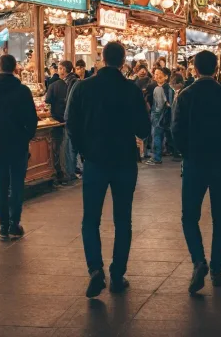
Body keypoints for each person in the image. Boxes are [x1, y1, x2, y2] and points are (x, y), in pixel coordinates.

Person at [66, 41, 151, 298]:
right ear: (123, 62)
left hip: (95, 161)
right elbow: (144, 130)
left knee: (90, 218)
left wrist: (84, 150)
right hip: (124, 161)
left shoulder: (83, 87)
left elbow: (71, 125)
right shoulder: (131, 90)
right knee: (123, 219)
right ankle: (117, 274)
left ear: (102, 59)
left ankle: (95, 269)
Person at [171, 50, 221, 293]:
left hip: (195, 162)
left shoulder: (186, 95)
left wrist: (187, 152)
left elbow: (176, 130)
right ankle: (217, 268)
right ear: (216, 69)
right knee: (220, 216)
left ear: (194, 69)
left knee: (189, 216)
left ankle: (198, 260)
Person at [0, 54, 39, 240]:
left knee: (1, 184)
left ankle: (3, 225)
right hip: (18, 144)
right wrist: (26, 136)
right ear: (15, 67)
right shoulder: (22, 90)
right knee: (17, 184)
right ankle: (14, 224)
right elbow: (32, 119)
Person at [45, 60, 71, 185]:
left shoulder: (54, 86)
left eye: (60, 68)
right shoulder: (75, 83)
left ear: (63, 70)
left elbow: (47, 101)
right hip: (70, 120)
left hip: (57, 119)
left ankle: (59, 172)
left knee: (57, 148)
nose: (57, 70)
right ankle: (69, 172)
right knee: (68, 147)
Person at [147, 67, 171, 165]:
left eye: (158, 74)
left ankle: (157, 157)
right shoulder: (168, 88)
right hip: (165, 116)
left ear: (166, 77)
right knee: (164, 136)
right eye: (155, 74)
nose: (156, 76)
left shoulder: (159, 88)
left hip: (159, 116)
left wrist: (155, 116)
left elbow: (160, 106)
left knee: (157, 136)